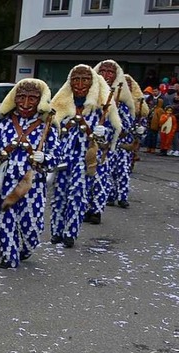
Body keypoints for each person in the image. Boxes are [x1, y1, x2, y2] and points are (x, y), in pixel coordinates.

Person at [0, 79, 61, 269]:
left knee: (32, 227)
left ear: (40, 100)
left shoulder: (46, 125)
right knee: (5, 220)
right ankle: (8, 256)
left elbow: (56, 156)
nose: (25, 104)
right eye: (21, 98)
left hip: (32, 184)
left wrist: (45, 158)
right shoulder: (6, 122)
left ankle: (26, 248)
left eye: (32, 99)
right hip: (7, 181)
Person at [49, 64, 120, 248]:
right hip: (63, 159)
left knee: (78, 197)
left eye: (85, 80)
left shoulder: (100, 108)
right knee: (59, 197)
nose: (80, 84)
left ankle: (70, 233)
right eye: (76, 80)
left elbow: (111, 138)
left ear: (92, 83)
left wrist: (104, 132)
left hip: (84, 160)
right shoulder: (60, 107)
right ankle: (56, 231)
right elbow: (49, 131)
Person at [94, 60, 136, 210]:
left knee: (115, 172)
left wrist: (116, 120)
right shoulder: (91, 97)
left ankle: (101, 207)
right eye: (103, 71)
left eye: (110, 72)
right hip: (90, 144)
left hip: (112, 145)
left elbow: (129, 124)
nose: (106, 75)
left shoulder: (122, 100)